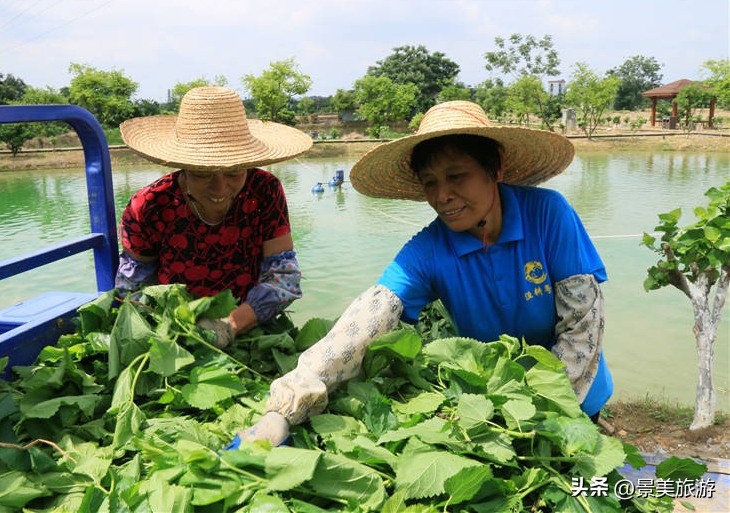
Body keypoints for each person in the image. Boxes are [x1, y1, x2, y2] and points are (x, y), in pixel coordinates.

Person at [229, 100, 613, 448]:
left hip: (570, 396)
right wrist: (284, 409)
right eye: (430, 182)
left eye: (456, 176)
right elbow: (367, 320)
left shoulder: (548, 215)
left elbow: (583, 324)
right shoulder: (429, 249)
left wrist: (537, 408)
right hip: (492, 407)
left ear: (494, 168)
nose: (442, 195)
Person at [115, 86, 313, 347]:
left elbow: (283, 277)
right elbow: (133, 289)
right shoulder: (150, 205)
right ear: (183, 167)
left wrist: (229, 326)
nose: (220, 188)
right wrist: (174, 335)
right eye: (202, 173)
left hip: (252, 325)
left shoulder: (264, 191)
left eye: (233, 172)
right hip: (174, 334)